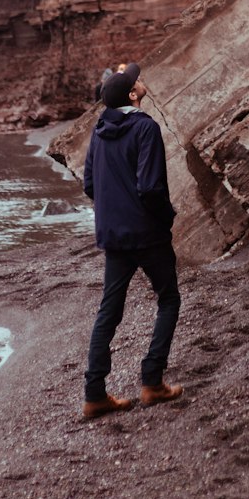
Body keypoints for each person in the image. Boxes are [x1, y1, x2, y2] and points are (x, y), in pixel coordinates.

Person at [81, 60, 183, 420]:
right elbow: (151, 186)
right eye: (135, 82)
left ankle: (94, 395)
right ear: (131, 95)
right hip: (147, 232)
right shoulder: (145, 128)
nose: (141, 84)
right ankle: (152, 383)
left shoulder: (98, 131)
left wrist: (115, 211)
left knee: (109, 312)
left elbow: (90, 185)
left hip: (113, 234)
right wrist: (166, 218)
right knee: (169, 299)